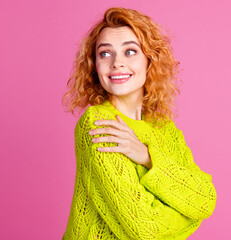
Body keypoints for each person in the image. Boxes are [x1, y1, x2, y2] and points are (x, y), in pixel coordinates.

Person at [61, 7, 217, 240]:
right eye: (105, 54)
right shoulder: (99, 124)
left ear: (150, 60)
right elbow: (146, 229)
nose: (117, 63)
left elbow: (205, 199)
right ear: (94, 65)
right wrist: (189, 214)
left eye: (130, 51)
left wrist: (146, 157)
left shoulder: (164, 128)